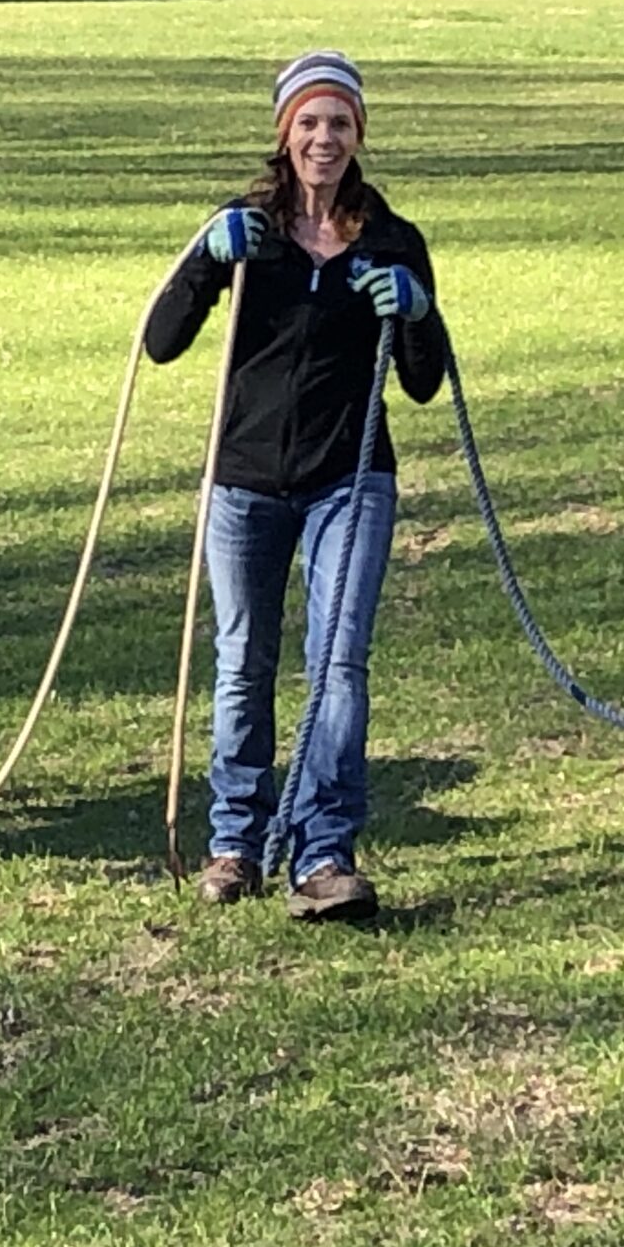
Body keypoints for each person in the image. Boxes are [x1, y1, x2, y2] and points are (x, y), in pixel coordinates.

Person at [144, 51, 448, 922]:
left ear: (360, 135)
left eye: (341, 123)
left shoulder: (393, 238)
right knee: (243, 664)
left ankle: (323, 853)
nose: (325, 139)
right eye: (310, 123)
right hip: (243, 483)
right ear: (285, 132)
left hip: (350, 481)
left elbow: (424, 381)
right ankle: (235, 842)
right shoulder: (244, 229)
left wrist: (420, 311)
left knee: (339, 666)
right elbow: (162, 340)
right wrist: (204, 260)